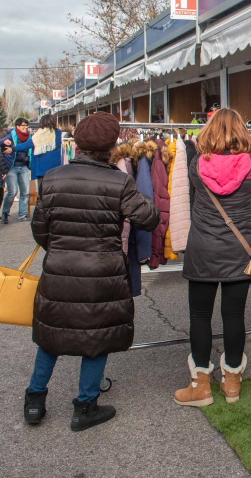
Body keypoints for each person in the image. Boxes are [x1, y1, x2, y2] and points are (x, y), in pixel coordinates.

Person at [24, 112, 160, 431]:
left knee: (51, 337)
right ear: (112, 146)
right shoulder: (119, 181)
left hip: (59, 269)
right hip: (102, 272)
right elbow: (149, 218)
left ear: (80, 144)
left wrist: (61, 250)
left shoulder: (54, 178)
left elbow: (39, 229)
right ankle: (84, 407)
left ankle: (34, 400)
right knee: (97, 337)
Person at [174, 108, 251, 407]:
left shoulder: (195, 165)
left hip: (202, 250)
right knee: (234, 316)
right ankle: (232, 384)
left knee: (200, 317)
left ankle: (200, 386)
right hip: (238, 253)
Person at [6, 114, 63, 192]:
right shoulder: (58, 133)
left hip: (41, 169)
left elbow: (27, 145)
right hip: (55, 168)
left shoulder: (39, 135)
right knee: (54, 191)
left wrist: (13, 149)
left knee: (42, 191)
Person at [0, 117, 32, 223]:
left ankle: (22, 215)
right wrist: (5, 147)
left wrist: (29, 159)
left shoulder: (29, 137)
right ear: (17, 127)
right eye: (23, 126)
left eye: (27, 126)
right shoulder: (11, 136)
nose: (25, 128)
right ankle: (5, 212)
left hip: (23, 166)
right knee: (12, 192)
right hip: (12, 167)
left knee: (25, 192)